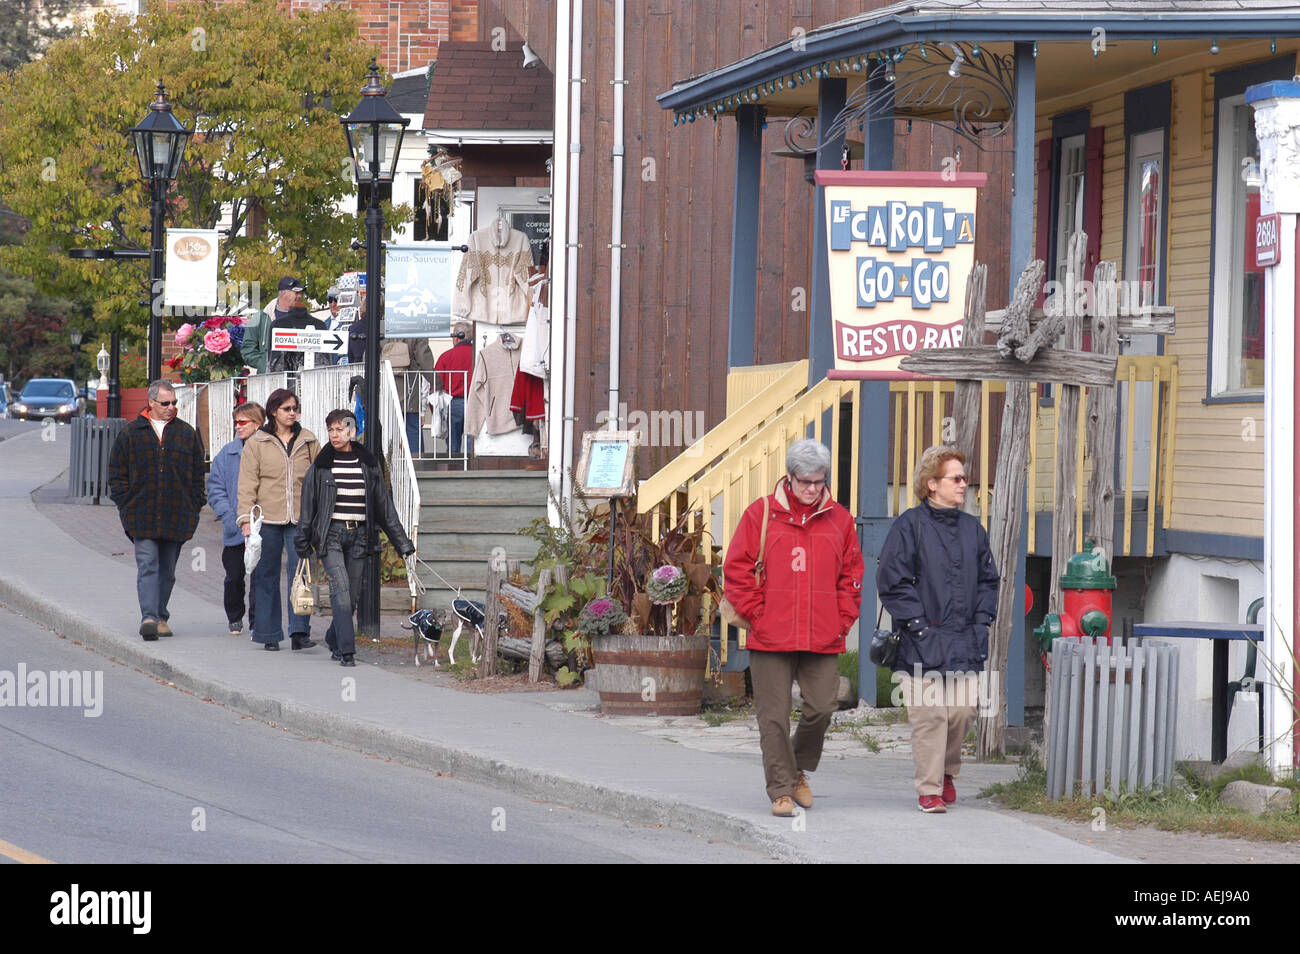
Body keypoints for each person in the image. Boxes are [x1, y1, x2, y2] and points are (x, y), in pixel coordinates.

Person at [723, 439, 865, 817]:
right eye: (804, 481)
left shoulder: (840, 519)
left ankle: (798, 768)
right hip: (770, 635)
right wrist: (758, 613)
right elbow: (736, 568)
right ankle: (781, 790)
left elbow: (852, 574)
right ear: (789, 478)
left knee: (821, 707)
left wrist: (843, 618)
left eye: (819, 482)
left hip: (823, 635)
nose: (812, 489)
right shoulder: (762, 514)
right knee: (773, 716)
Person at [877, 445, 999, 814]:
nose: (965, 484)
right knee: (931, 716)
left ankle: (946, 772)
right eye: (956, 478)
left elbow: (988, 581)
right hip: (921, 641)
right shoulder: (908, 525)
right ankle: (928, 789)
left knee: (961, 713)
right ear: (932, 484)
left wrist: (982, 622)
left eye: (965, 477)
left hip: (964, 639)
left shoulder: (973, 529)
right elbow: (892, 580)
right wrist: (918, 626)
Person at [296, 409, 416, 667]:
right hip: (331, 536)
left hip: (360, 536)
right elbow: (308, 506)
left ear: (351, 431)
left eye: (340, 429)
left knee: (351, 598)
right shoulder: (321, 465)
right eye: (331, 430)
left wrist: (403, 544)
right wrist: (303, 540)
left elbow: (385, 507)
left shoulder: (367, 463)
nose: (335, 435)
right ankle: (346, 651)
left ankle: (333, 636)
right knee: (340, 591)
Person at [107, 379, 206, 640]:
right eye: (165, 403)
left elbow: (198, 474)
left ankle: (161, 615)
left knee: (168, 572)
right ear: (151, 402)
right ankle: (149, 617)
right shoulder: (131, 433)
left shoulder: (186, 433)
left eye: (174, 403)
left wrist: (195, 504)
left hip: (177, 513)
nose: (171, 407)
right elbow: (117, 474)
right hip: (141, 513)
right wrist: (125, 502)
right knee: (148, 564)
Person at [237, 388, 320, 652]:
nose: (292, 413)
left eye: (295, 408)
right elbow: (247, 483)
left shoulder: (308, 441)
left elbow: (319, 479)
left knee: (301, 576)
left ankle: (299, 631)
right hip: (267, 519)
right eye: (287, 409)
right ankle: (268, 632)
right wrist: (246, 520)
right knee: (266, 575)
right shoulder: (257, 443)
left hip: (300, 518)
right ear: (274, 411)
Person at [207, 401, 265, 635]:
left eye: (243, 422)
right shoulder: (227, 453)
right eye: (236, 423)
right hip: (234, 529)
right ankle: (234, 615)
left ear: (258, 424)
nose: (238, 427)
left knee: (260, 577)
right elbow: (215, 487)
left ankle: (257, 621)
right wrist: (229, 516)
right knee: (234, 577)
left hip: (262, 527)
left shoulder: (267, 450)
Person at [243, 276, 303, 375]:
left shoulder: (304, 318)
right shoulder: (258, 317)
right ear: (284, 293)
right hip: (266, 379)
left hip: (295, 379)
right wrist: (265, 363)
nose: (300, 296)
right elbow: (247, 349)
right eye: (296, 293)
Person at [433, 321, 474, 457]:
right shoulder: (478, 355)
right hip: (474, 403)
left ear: (456, 337)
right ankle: (471, 470)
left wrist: (436, 410)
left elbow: (436, 384)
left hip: (453, 403)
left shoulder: (446, 357)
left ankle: (452, 468)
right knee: (472, 443)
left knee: (452, 446)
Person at [267, 302, 325, 373]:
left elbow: (272, 361)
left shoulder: (277, 325)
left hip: (283, 379)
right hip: (315, 378)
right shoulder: (320, 325)